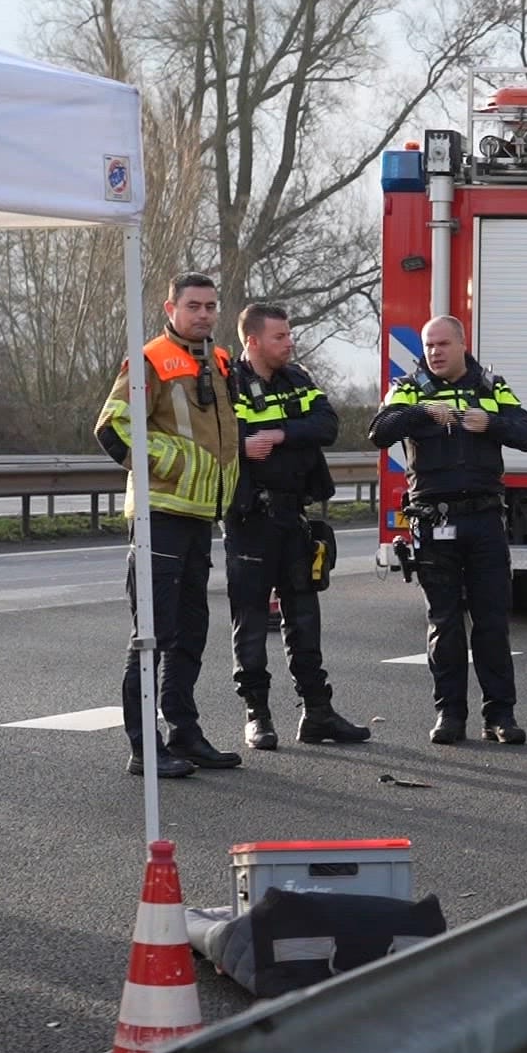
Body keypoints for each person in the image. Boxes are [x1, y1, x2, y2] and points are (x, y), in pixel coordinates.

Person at [94, 272, 244, 778]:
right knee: (151, 635)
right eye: (194, 306)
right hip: (159, 515)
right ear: (171, 307)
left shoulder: (219, 360)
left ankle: (184, 730)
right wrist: (170, 465)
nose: (203, 314)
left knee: (190, 631)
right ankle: (143, 746)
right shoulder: (151, 358)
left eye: (210, 306)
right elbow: (112, 425)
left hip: (200, 515)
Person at [368, 315, 527, 745]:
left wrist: (492, 422)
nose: (435, 352)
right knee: (443, 623)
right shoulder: (409, 388)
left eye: (443, 344)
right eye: (429, 346)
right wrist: (419, 412)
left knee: (492, 623)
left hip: (483, 519)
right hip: (433, 519)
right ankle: (449, 715)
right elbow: (379, 432)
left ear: (462, 344)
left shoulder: (490, 386)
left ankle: (500, 715)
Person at [224, 303, 371, 751]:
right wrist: (249, 443)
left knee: (304, 617)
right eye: (280, 337)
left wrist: (278, 436)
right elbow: (223, 435)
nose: (289, 343)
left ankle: (317, 712)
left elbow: (326, 425)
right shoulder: (227, 383)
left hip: (294, 517)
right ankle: (258, 715)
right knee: (250, 620)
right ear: (252, 340)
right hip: (250, 519)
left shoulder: (298, 379)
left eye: (289, 335)